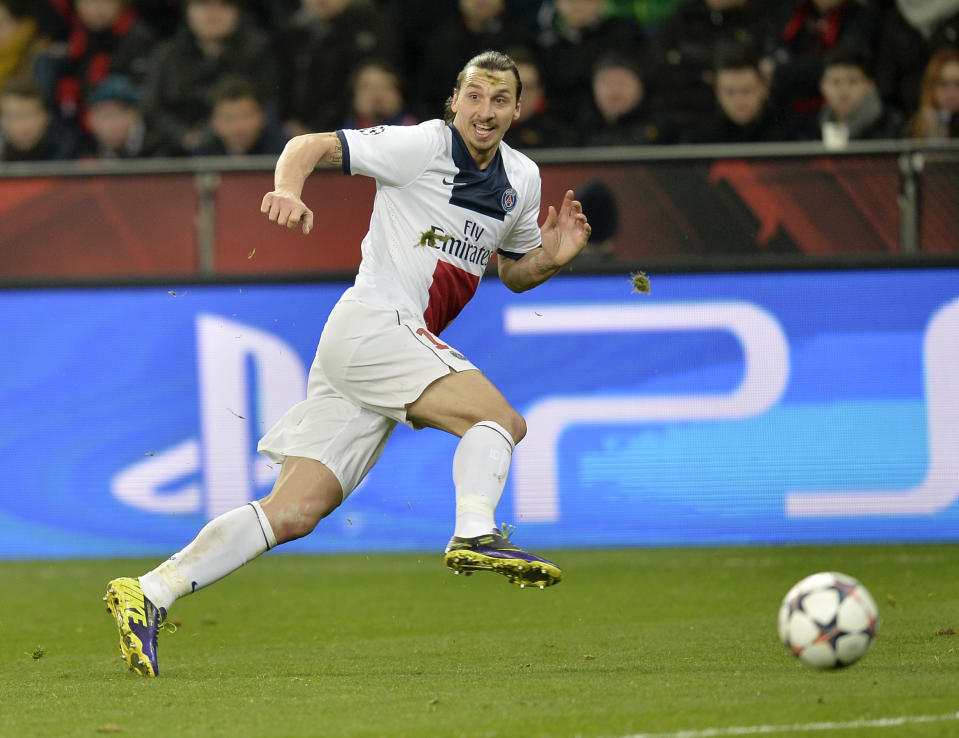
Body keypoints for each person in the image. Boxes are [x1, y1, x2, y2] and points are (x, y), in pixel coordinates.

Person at [104, 49, 592, 678]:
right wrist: (286, 190)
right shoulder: (421, 147)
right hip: (376, 325)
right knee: (501, 421)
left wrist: (552, 259)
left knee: (296, 511)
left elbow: (513, 272)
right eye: (474, 96)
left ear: (518, 109)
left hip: (378, 347)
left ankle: (150, 591)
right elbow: (307, 145)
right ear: (454, 101)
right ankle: (474, 530)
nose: (485, 110)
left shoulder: (522, 180)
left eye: (500, 100)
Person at [142, 0, 277, 155]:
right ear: (188, 11)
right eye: (203, 4)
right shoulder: (166, 56)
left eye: (224, 5)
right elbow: (151, 108)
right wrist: (184, 136)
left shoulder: (259, 52)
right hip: (177, 155)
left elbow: (272, 102)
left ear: (238, 11)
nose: (213, 14)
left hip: (254, 152)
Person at [275, 0, 401, 137]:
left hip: (360, 128)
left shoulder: (373, 26)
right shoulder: (290, 33)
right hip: (302, 129)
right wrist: (287, 120)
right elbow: (279, 86)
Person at [688, 43, 793, 143]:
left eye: (747, 91)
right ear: (717, 92)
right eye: (730, 92)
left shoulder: (790, 134)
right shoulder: (700, 139)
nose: (739, 101)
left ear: (764, 88)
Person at [812, 45, 904, 149]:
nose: (844, 90)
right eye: (835, 82)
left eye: (852, 81)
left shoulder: (891, 126)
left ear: (870, 85)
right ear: (822, 86)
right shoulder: (811, 128)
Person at [577, 52, 671, 146]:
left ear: (641, 87)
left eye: (622, 83)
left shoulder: (664, 131)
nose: (614, 91)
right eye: (606, 83)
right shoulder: (579, 130)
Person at [193, 74, 288, 155]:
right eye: (228, 118)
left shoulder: (285, 151)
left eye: (246, 116)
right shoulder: (201, 155)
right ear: (213, 122)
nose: (238, 128)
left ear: (263, 116)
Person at [76, 73, 159, 158]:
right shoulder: (87, 148)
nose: (111, 124)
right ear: (91, 119)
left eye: (118, 114)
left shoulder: (158, 143)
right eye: (104, 116)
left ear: (134, 114)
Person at [0, 76, 75, 160]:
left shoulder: (70, 150)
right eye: (13, 116)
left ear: (46, 116)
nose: (22, 125)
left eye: (29, 115)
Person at [342, 59, 418, 130]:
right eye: (367, 87)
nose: (377, 94)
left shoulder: (417, 132)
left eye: (385, 86)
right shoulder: (340, 137)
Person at [907, 45, 959, 139]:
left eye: (958, 84)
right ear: (931, 88)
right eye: (944, 84)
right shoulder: (914, 129)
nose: (952, 93)